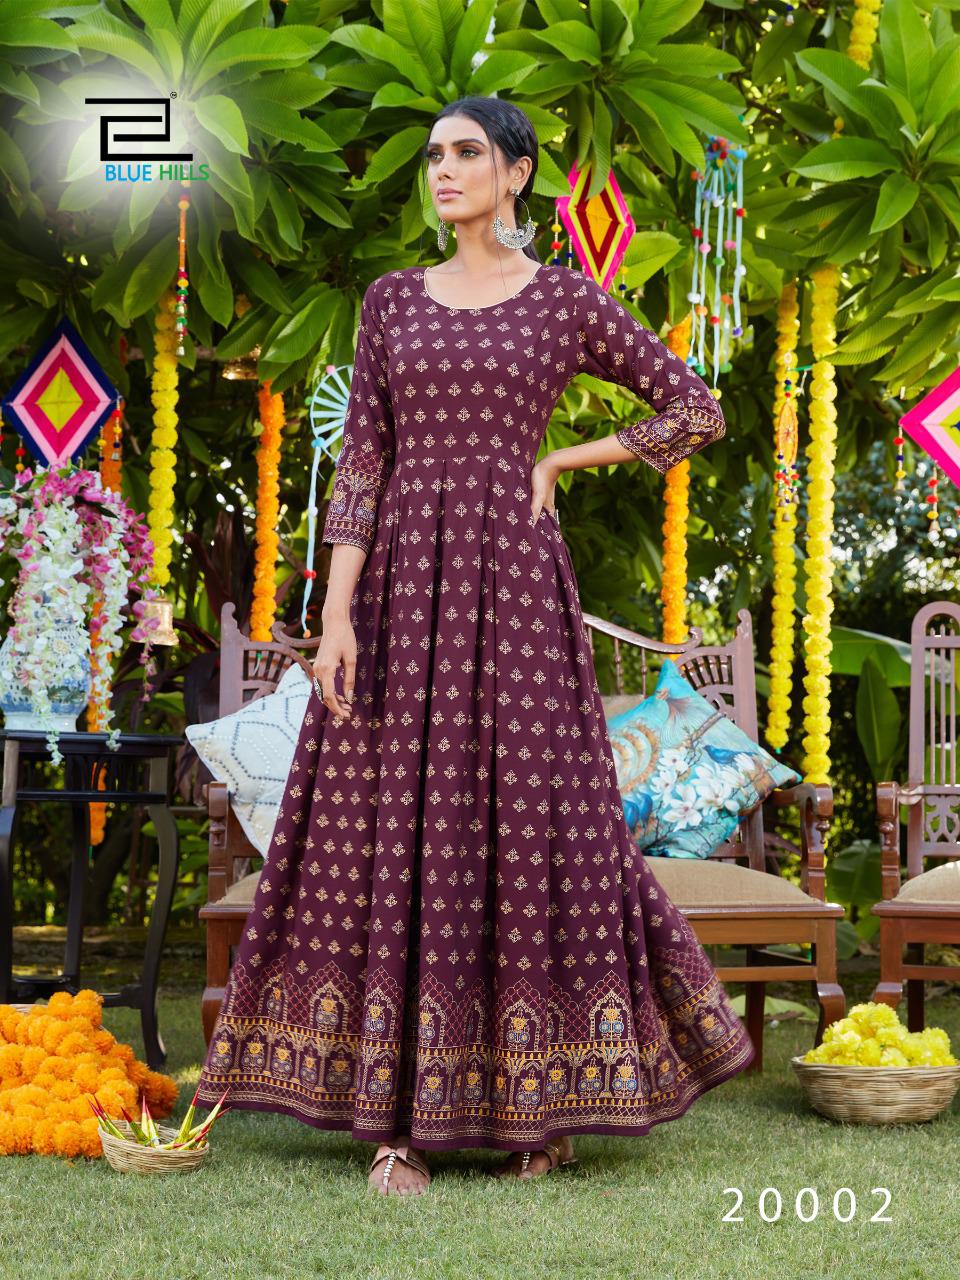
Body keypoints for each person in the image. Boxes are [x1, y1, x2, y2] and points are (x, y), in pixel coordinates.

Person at [194, 95, 754, 1197]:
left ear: (516, 174)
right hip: (399, 592)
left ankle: (539, 1107)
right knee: (396, 826)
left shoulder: (563, 300)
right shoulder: (392, 301)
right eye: (433, 156)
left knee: (536, 821)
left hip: (517, 593)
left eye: (466, 153)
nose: (443, 171)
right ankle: (395, 1119)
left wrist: (564, 459)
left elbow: (695, 408)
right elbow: (362, 461)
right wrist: (336, 615)